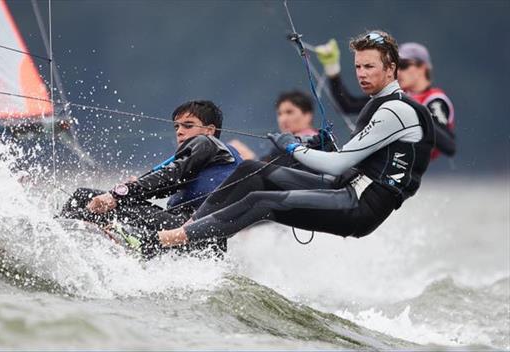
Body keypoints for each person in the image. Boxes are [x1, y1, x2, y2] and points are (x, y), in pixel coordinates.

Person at [117, 30, 435, 253]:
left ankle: (163, 241)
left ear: (391, 68)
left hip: (360, 205)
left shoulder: (397, 110)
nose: (362, 74)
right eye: (358, 67)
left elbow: (340, 162)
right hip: (342, 187)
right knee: (255, 171)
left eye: (370, 67)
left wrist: (292, 147)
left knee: (262, 201)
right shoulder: (378, 105)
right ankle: (190, 228)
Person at [59, 100, 242, 257]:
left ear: (210, 130)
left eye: (188, 125)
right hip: (205, 244)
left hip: (185, 230)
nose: (179, 131)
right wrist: (132, 188)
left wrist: (117, 194)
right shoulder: (207, 158)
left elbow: (170, 176)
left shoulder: (206, 142)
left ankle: (55, 241)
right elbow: (163, 185)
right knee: (106, 214)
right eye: (176, 126)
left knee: (83, 196)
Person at [315, 39, 456, 159]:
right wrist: (332, 70)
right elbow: (347, 106)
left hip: (413, 173)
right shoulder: (398, 94)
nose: (398, 71)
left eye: (404, 65)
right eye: (396, 65)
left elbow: (449, 146)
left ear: (422, 68)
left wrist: (412, 110)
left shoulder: (436, 100)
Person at [229, 90, 333, 170]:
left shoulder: (312, 143)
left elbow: (268, 173)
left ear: (307, 115)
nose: (283, 119)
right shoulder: (284, 145)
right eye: (280, 114)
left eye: (289, 112)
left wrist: (247, 157)